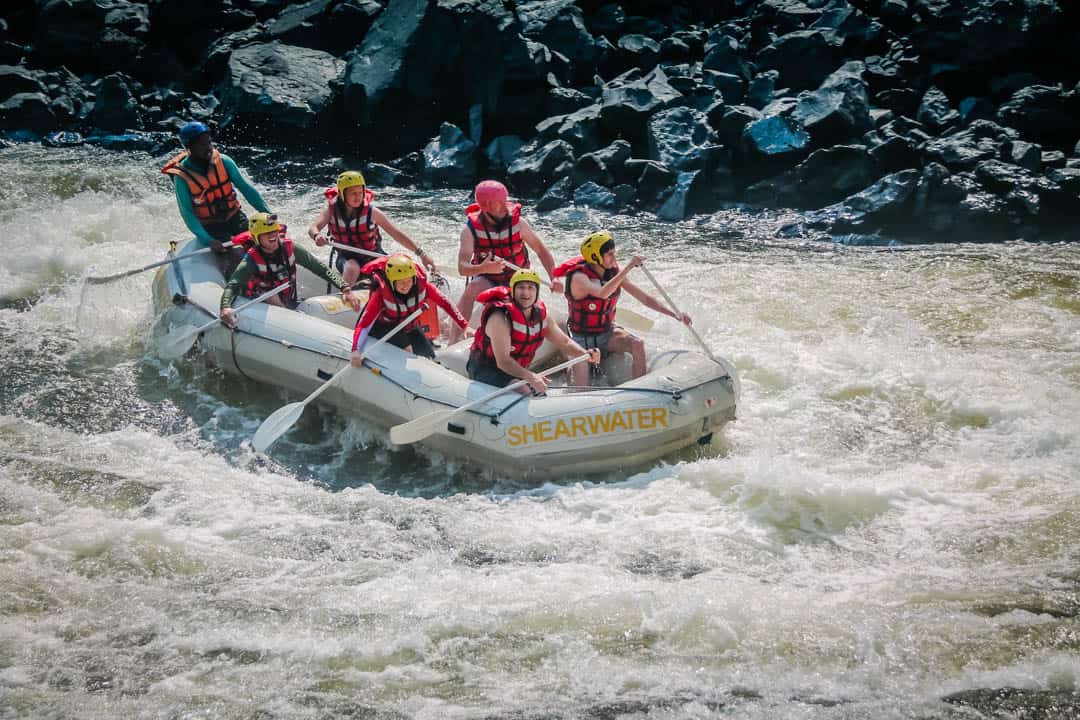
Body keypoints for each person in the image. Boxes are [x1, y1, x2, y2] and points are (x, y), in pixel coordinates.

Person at [553, 230, 692, 380]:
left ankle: (640, 386)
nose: (615, 257)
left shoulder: (613, 273)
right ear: (595, 257)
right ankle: (569, 365)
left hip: (606, 333)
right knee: (581, 379)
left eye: (614, 253)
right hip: (580, 338)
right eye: (610, 254)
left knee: (637, 343)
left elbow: (644, 298)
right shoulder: (579, 277)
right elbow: (602, 293)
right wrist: (629, 266)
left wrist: (675, 314)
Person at [450, 180, 562, 343]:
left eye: (505, 201)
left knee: (531, 306)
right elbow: (463, 267)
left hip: (518, 278)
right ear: (486, 205)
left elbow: (541, 251)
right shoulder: (470, 230)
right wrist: (483, 267)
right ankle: (454, 339)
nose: (505, 206)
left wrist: (554, 277)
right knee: (473, 288)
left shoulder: (519, 224)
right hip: (489, 279)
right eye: (499, 203)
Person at [162, 121, 271, 275]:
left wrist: (267, 214)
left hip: (235, 217)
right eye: (201, 145)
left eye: (208, 142)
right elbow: (187, 213)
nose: (208, 148)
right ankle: (238, 286)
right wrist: (208, 240)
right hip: (210, 226)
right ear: (189, 148)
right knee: (237, 252)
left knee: (265, 242)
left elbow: (247, 189)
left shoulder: (224, 161)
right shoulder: (182, 178)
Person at [467, 268, 600, 394]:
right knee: (525, 392)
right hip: (487, 368)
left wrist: (585, 353)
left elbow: (564, 342)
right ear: (513, 291)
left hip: (515, 370)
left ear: (537, 292)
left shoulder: (542, 316)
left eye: (531, 288)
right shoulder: (500, 318)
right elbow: (503, 361)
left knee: (537, 392)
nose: (526, 293)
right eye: (521, 288)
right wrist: (530, 376)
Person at [220, 213, 361, 327]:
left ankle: (289, 313)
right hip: (259, 301)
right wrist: (225, 307)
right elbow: (233, 285)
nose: (273, 236)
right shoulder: (251, 259)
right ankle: (289, 315)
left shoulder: (291, 249)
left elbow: (321, 269)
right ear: (257, 238)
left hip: (286, 299)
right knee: (270, 295)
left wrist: (345, 288)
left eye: (274, 231)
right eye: (267, 233)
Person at [308, 170, 436, 288]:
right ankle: (346, 296)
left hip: (373, 256)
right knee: (352, 267)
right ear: (342, 194)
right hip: (346, 259)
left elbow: (396, 233)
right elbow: (313, 227)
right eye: (353, 193)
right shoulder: (331, 211)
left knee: (400, 269)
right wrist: (317, 236)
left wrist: (422, 254)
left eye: (360, 192)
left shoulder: (372, 212)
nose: (358, 197)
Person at [350, 254, 470, 365]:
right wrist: (356, 350)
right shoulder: (380, 295)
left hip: (408, 325)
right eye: (400, 282)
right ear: (391, 282)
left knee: (430, 356)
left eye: (408, 281)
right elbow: (363, 325)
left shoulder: (423, 286)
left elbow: (446, 304)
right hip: (383, 327)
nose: (405, 285)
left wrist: (465, 326)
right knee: (407, 347)